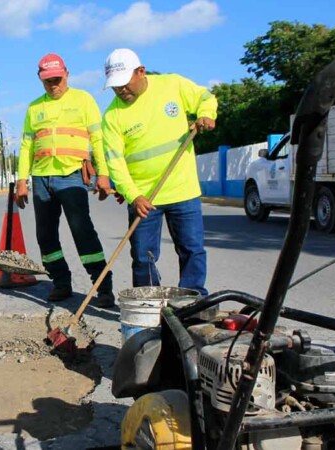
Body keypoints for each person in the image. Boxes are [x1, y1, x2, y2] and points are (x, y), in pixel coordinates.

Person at [101, 48, 217, 296]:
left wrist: (206, 114)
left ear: (140, 72)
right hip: (144, 198)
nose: (120, 90)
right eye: (115, 86)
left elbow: (205, 97)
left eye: (123, 83)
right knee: (143, 257)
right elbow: (115, 162)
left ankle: (192, 300)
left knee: (192, 250)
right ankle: (148, 304)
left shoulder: (172, 85)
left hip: (183, 190)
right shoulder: (112, 116)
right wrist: (133, 196)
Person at [15, 53, 116, 307]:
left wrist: (103, 173)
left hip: (71, 176)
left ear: (67, 74)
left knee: (82, 231)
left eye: (57, 79)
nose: (53, 85)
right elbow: (26, 145)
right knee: (45, 235)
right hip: (41, 178)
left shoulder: (83, 100)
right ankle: (60, 282)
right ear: (40, 80)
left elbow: (98, 140)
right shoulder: (34, 107)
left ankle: (103, 286)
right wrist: (21, 180)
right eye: (48, 81)